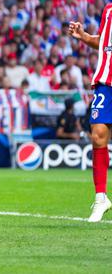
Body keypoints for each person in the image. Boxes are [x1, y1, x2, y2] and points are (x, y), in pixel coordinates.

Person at [68, 15, 112, 222]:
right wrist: (84, 36)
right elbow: (105, 43)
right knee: (98, 135)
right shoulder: (109, 11)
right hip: (106, 82)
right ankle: (101, 198)